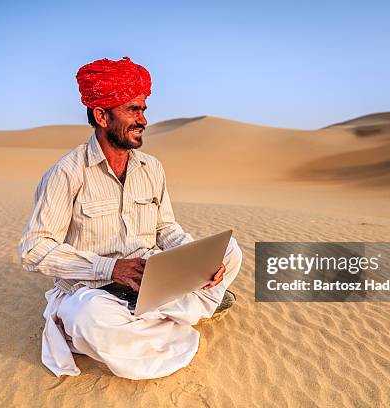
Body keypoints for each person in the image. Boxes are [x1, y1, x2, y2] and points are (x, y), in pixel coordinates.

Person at [18, 57, 243, 379]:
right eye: (133, 110)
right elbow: (33, 250)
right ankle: (179, 313)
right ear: (101, 115)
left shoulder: (151, 167)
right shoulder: (67, 173)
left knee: (231, 250)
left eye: (144, 109)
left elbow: (165, 227)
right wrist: (111, 267)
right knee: (88, 318)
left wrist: (199, 259)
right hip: (95, 290)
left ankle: (165, 311)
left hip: (153, 280)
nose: (144, 120)